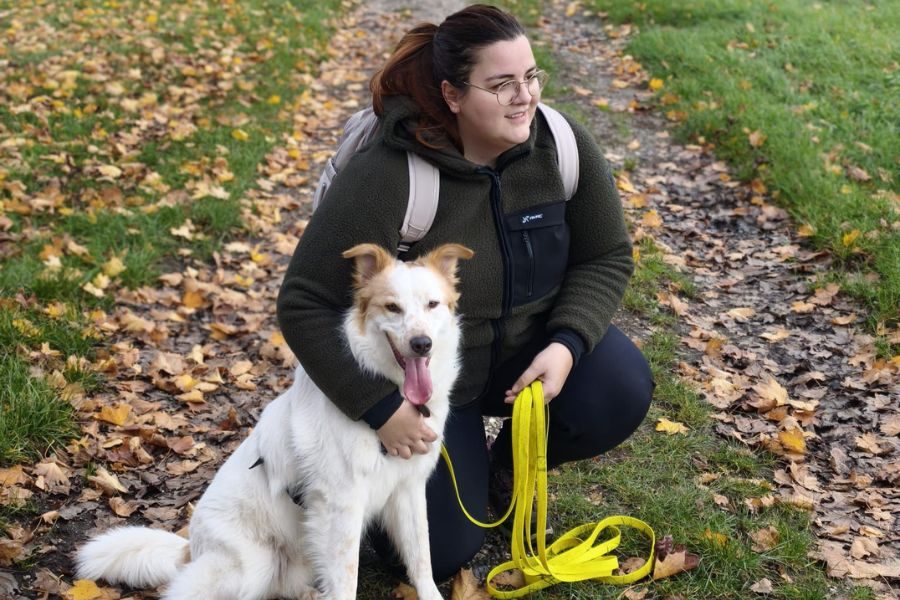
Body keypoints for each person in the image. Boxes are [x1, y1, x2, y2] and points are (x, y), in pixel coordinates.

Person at [276, 3, 653, 582]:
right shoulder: (391, 174)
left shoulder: (562, 146)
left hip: (524, 363)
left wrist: (566, 345)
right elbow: (302, 301)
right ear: (453, 96)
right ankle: (356, 488)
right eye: (501, 84)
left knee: (620, 386)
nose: (523, 97)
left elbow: (606, 255)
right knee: (442, 553)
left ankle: (504, 467)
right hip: (419, 384)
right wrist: (380, 410)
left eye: (530, 77)